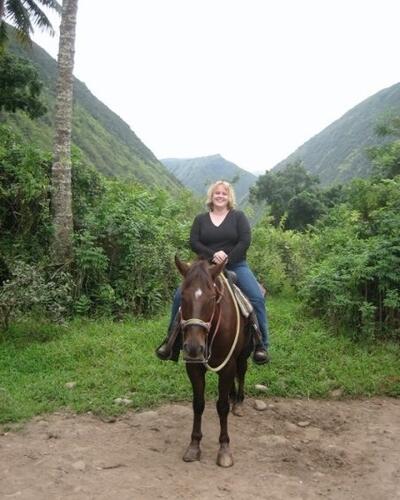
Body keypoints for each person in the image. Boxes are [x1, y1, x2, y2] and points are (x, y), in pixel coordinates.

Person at [156, 180, 270, 364]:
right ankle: (171, 341)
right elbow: (194, 242)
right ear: (211, 196)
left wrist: (227, 259)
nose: (220, 196)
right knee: (180, 296)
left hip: (236, 264)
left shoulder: (238, 217)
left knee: (256, 297)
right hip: (204, 267)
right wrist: (212, 255)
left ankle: (261, 344)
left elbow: (244, 241)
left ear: (229, 197)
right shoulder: (201, 219)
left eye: (224, 193)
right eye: (217, 193)